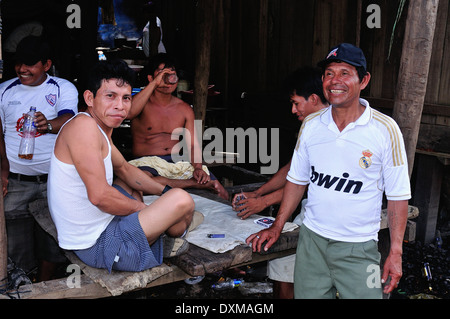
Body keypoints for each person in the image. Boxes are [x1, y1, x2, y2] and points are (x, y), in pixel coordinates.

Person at [246, 43, 411, 299]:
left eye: (345, 73)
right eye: (329, 73)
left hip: (359, 248)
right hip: (312, 243)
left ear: (363, 80)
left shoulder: (384, 129)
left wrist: (396, 253)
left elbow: (398, 196)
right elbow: (297, 180)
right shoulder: (312, 124)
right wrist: (277, 225)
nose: (335, 81)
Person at [48, 59, 197, 273]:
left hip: (98, 229)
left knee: (133, 184)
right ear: (90, 98)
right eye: (110, 96)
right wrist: (150, 212)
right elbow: (99, 196)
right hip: (99, 245)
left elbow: (126, 170)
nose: (120, 106)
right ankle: (172, 233)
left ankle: (165, 225)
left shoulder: (97, 128)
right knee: (183, 200)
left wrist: (165, 192)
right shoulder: (83, 127)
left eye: (126, 98)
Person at [231, 66, 329, 299]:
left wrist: (262, 200)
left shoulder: (331, 129)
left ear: (314, 99)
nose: (293, 110)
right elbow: (292, 169)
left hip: (329, 223)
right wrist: (260, 193)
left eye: (296, 103)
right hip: (308, 213)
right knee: (282, 266)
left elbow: (303, 184)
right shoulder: (310, 125)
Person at [0, 35, 78, 280]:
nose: (22, 69)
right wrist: (2, 170)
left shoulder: (62, 87)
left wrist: (49, 125)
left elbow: (69, 119)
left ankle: (45, 284)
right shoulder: (3, 91)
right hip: (15, 181)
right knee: (14, 241)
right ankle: (20, 283)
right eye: (19, 63)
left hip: (54, 180)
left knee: (53, 238)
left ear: (46, 65)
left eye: (30, 64)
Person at [128, 53, 229, 200]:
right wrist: (154, 83)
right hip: (147, 164)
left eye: (171, 73)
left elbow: (193, 145)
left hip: (177, 162)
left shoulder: (184, 109)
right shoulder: (141, 103)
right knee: (141, 181)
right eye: (163, 73)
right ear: (151, 78)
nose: (168, 78)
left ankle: (192, 183)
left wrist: (198, 168)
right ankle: (190, 184)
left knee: (218, 188)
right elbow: (129, 112)